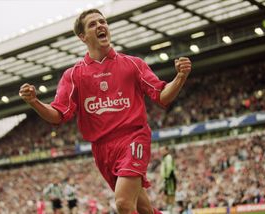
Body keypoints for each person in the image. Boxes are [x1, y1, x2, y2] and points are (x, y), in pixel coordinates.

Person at [19, 8, 191, 214]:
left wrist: (180, 77)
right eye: (93, 24)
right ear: (82, 37)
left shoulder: (132, 64)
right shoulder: (73, 75)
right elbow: (57, 115)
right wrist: (34, 102)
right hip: (101, 149)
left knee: (123, 204)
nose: (100, 25)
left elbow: (162, 96)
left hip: (133, 137)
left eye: (103, 22)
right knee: (142, 207)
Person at [160, 146, 177, 214]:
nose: (161, 152)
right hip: (166, 179)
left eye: (162, 150)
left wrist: (167, 177)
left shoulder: (168, 157)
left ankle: (172, 211)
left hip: (169, 179)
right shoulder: (164, 158)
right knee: (166, 194)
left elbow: (170, 167)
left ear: (166, 150)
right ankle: (170, 209)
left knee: (170, 194)